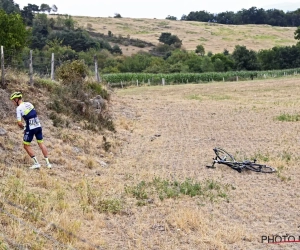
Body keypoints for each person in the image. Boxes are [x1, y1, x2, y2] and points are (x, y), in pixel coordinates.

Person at [10, 91, 52, 169]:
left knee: (26, 145)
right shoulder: (29, 103)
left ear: (16, 99)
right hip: (38, 126)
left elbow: (19, 123)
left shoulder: (18, 108)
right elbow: (34, 114)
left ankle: (36, 164)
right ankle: (48, 163)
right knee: (41, 144)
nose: (13, 102)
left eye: (13, 100)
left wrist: (24, 128)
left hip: (30, 128)